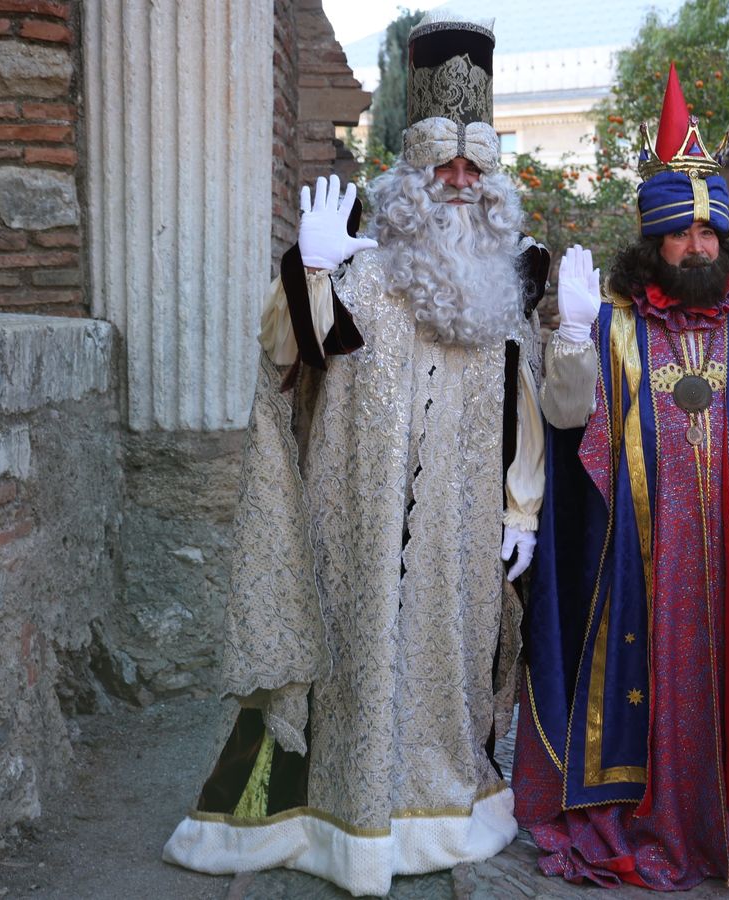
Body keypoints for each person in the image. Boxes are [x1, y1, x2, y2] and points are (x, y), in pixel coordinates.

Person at [161, 14, 549, 897]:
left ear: (491, 176)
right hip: (355, 529)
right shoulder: (362, 268)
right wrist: (312, 270)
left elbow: (521, 407)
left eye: (472, 167)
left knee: (446, 676)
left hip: (457, 542)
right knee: (351, 662)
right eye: (440, 167)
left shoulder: (504, 281)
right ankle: (335, 823)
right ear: (409, 173)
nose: (457, 183)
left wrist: (521, 509)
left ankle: (440, 811)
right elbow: (293, 359)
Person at [510, 66, 729, 890]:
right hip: (642, 564)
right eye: (680, 233)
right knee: (645, 694)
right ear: (652, 241)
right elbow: (567, 424)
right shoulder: (616, 325)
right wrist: (569, 336)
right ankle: (646, 815)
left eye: (709, 233)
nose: (697, 246)